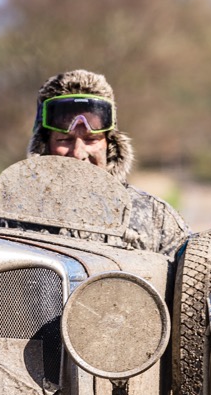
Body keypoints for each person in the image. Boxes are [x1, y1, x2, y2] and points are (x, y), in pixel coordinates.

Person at [28, 70, 189, 258]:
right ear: (44, 147)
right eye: (64, 140)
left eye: (91, 140)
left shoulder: (156, 219)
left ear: (110, 145)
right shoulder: (6, 214)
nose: (78, 153)